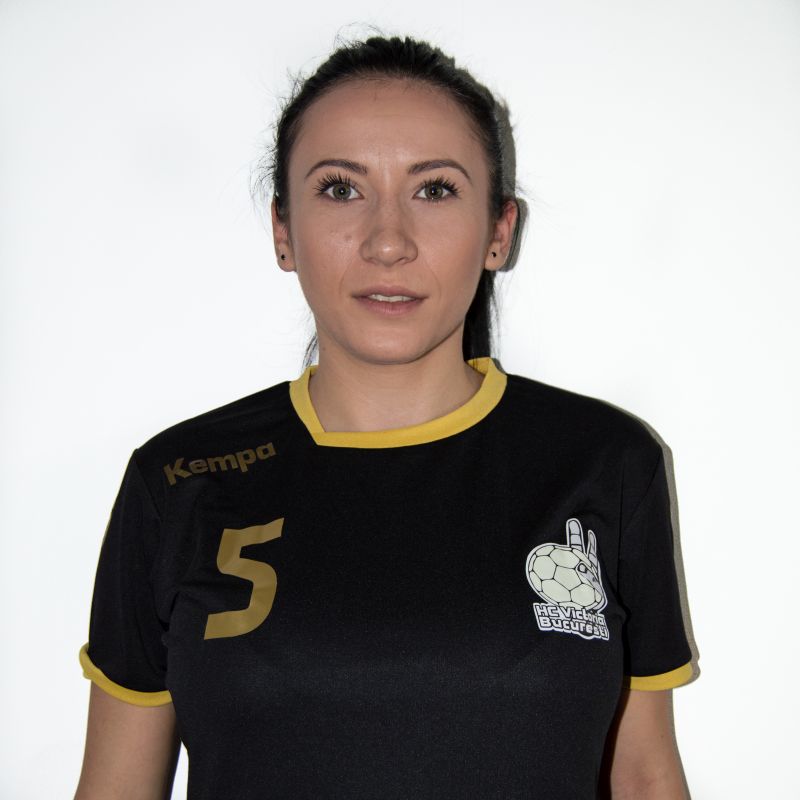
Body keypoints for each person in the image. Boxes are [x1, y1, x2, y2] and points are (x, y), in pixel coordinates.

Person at [74, 34, 696, 800]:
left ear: (499, 232)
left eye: (435, 190)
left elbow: (645, 775)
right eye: (341, 189)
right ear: (282, 231)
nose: (388, 241)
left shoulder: (604, 462)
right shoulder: (178, 481)